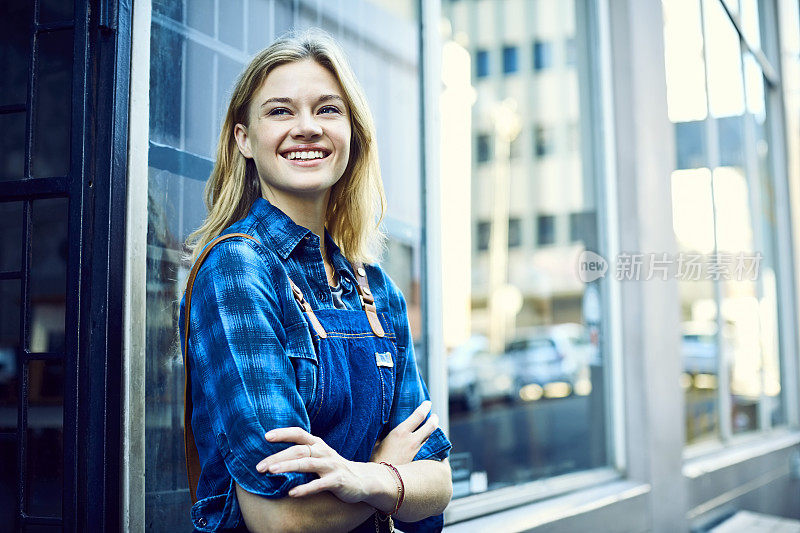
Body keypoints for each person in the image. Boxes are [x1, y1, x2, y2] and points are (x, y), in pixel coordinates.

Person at [179, 29, 453, 532]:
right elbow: (280, 519)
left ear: (353, 133)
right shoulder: (238, 271)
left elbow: (438, 482)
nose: (306, 128)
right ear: (244, 138)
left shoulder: (375, 289)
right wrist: (392, 477)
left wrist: (366, 478)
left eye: (328, 109)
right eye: (280, 111)